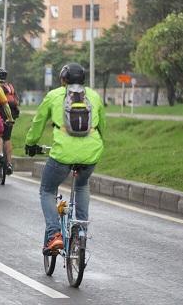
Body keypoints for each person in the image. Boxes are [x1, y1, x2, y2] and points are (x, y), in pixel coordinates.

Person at [25, 63, 106, 254]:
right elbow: (103, 125)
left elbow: (38, 122)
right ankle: (81, 231)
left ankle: (54, 235)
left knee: (47, 190)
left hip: (62, 155)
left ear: (63, 80)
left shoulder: (54, 95)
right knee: (82, 185)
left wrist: (30, 143)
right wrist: (97, 146)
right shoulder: (94, 96)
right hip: (91, 153)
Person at [0, 68, 20, 174]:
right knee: (7, 138)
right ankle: (9, 163)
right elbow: (16, 101)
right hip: (11, 115)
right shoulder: (10, 87)